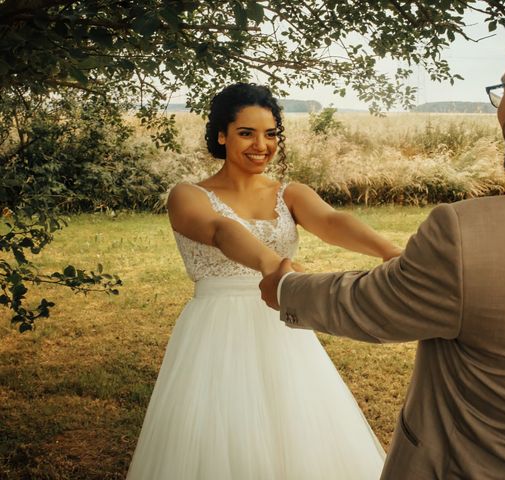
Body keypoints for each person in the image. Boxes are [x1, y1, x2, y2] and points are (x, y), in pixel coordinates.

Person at [260, 2, 505, 479]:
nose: (500, 108)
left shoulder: (469, 233)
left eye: (503, 89)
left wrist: (284, 288)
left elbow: (370, 305)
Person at [126, 83, 403, 479]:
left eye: (271, 133)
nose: (262, 145)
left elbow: (331, 222)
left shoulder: (288, 192)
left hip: (282, 326)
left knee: (297, 429)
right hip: (215, 330)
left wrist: (390, 252)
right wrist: (273, 266)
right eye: (246, 133)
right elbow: (220, 230)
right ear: (221, 135)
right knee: (220, 436)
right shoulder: (188, 195)